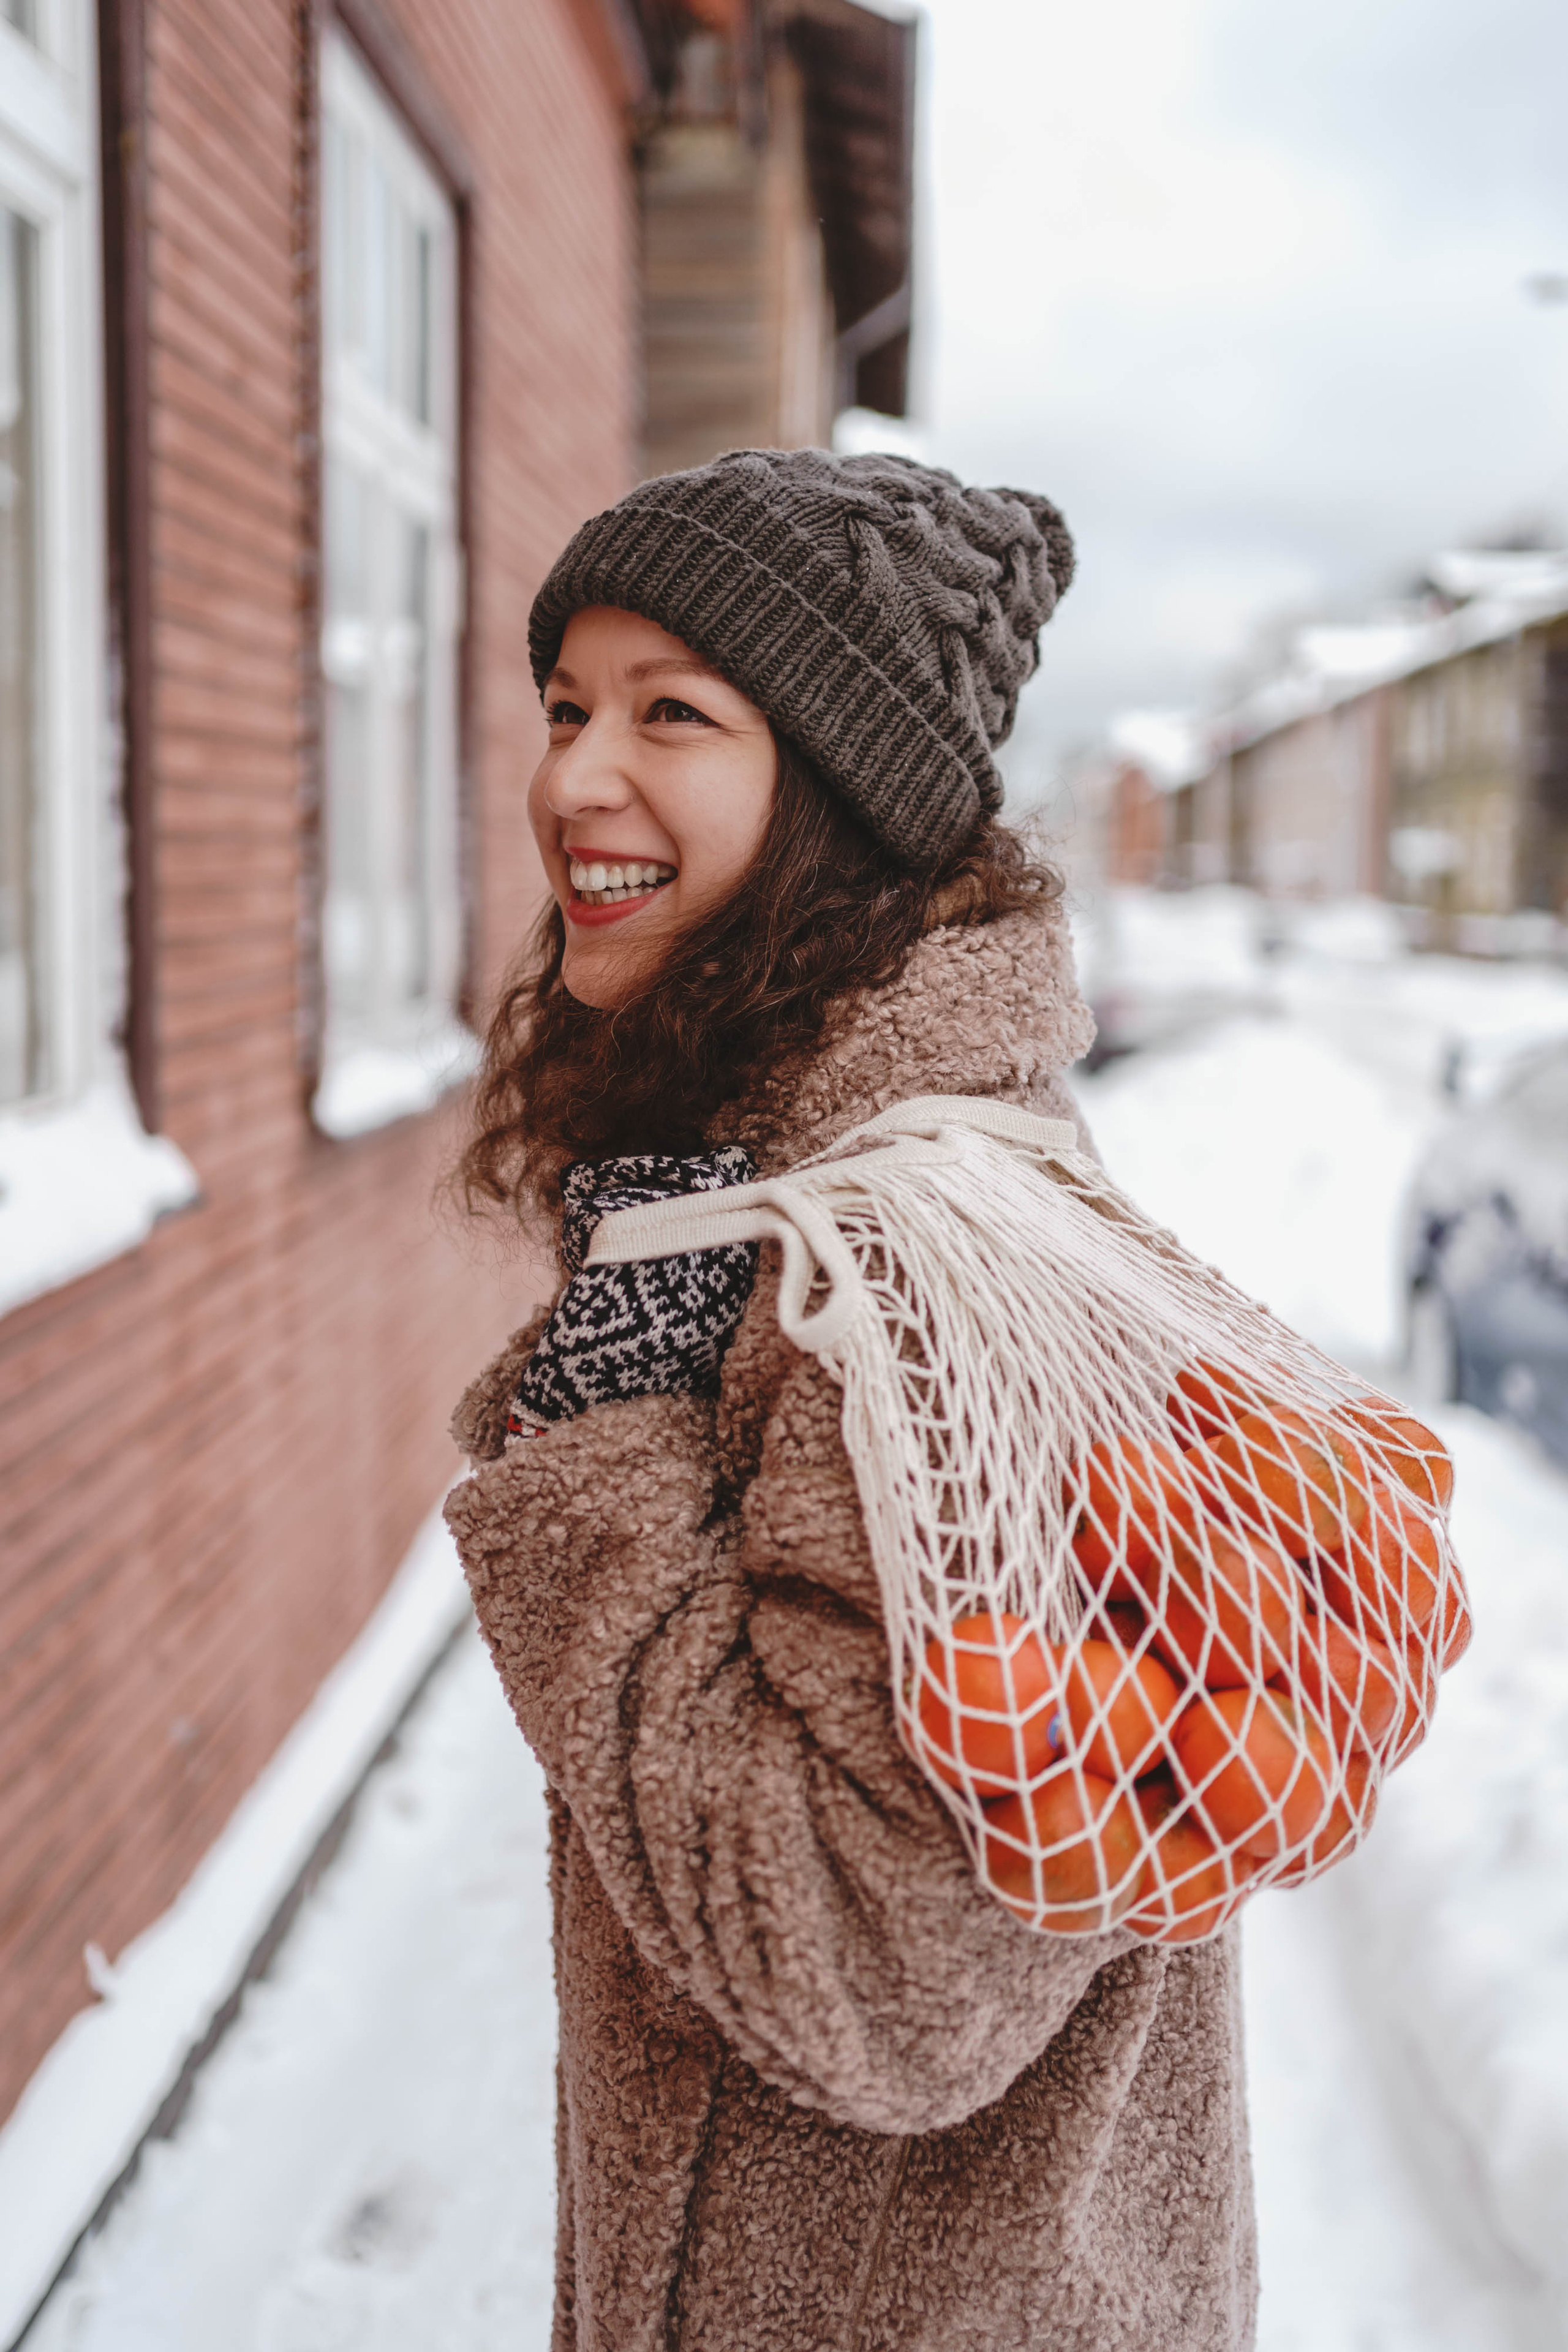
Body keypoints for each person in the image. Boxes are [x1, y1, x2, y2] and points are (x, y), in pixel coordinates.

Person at [447, 449, 1256, 2351]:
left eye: (674, 715)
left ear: (836, 801)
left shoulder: (927, 1262)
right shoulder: (773, 1182)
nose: (573, 776)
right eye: (567, 706)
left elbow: (873, 1979)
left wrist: (604, 1455)